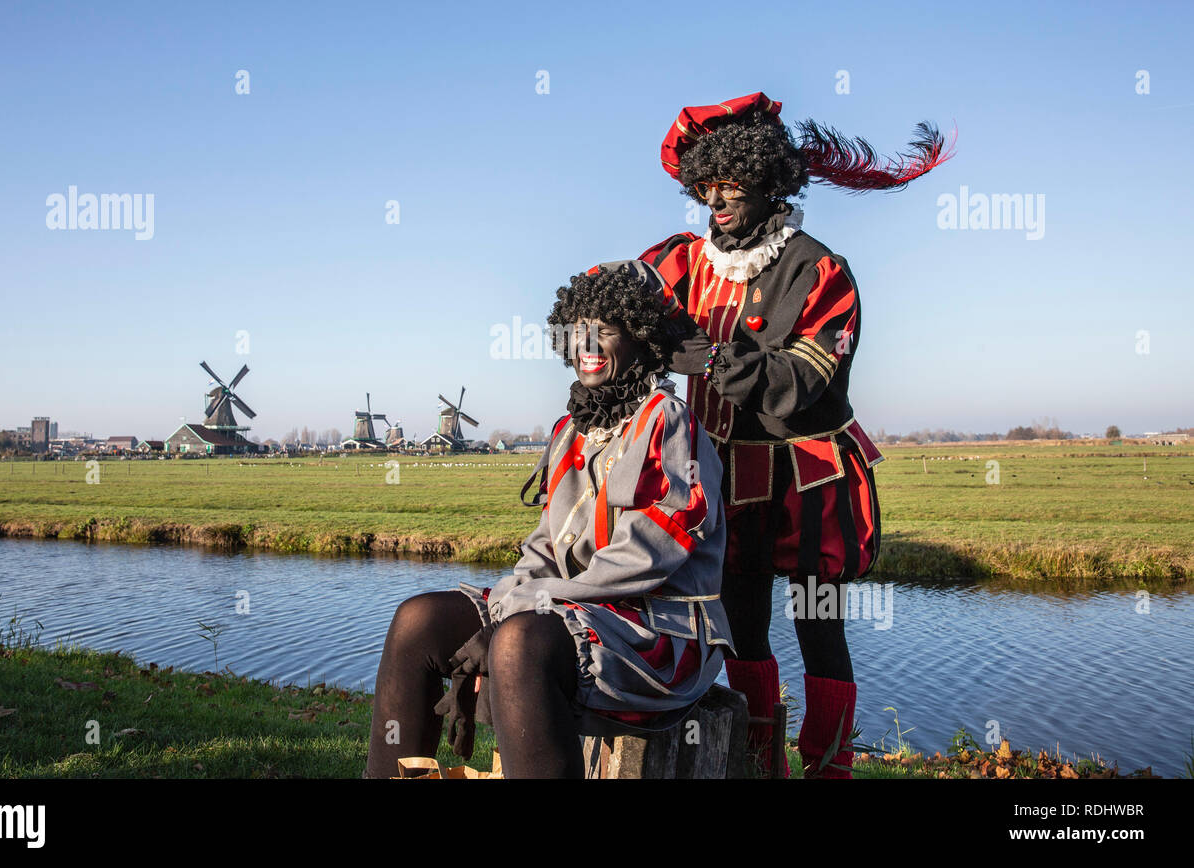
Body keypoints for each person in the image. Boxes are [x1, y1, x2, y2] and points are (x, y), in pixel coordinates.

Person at [639, 90, 952, 777]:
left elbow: (798, 384)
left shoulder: (819, 268)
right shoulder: (684, 261)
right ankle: (759, 763)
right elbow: (625, 306)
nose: (715, 202)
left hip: (809, 480)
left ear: (769, 181)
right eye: (706, 188)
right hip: (725, 479)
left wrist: (714, 358)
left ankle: (829, 767)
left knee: (820, 632)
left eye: (731, 186)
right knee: (743, 630)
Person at [363, 262, 733, 779]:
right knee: (418, 621)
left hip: (657, 632)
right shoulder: (570, 430)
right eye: (578, 327)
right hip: (567, 612)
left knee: (518, 644)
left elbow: (642, 557)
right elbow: (543, 547)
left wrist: (513, 619)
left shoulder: (667, 422)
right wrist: (503, 609)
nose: (589, 343)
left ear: (642, 337)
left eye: (606, 329)